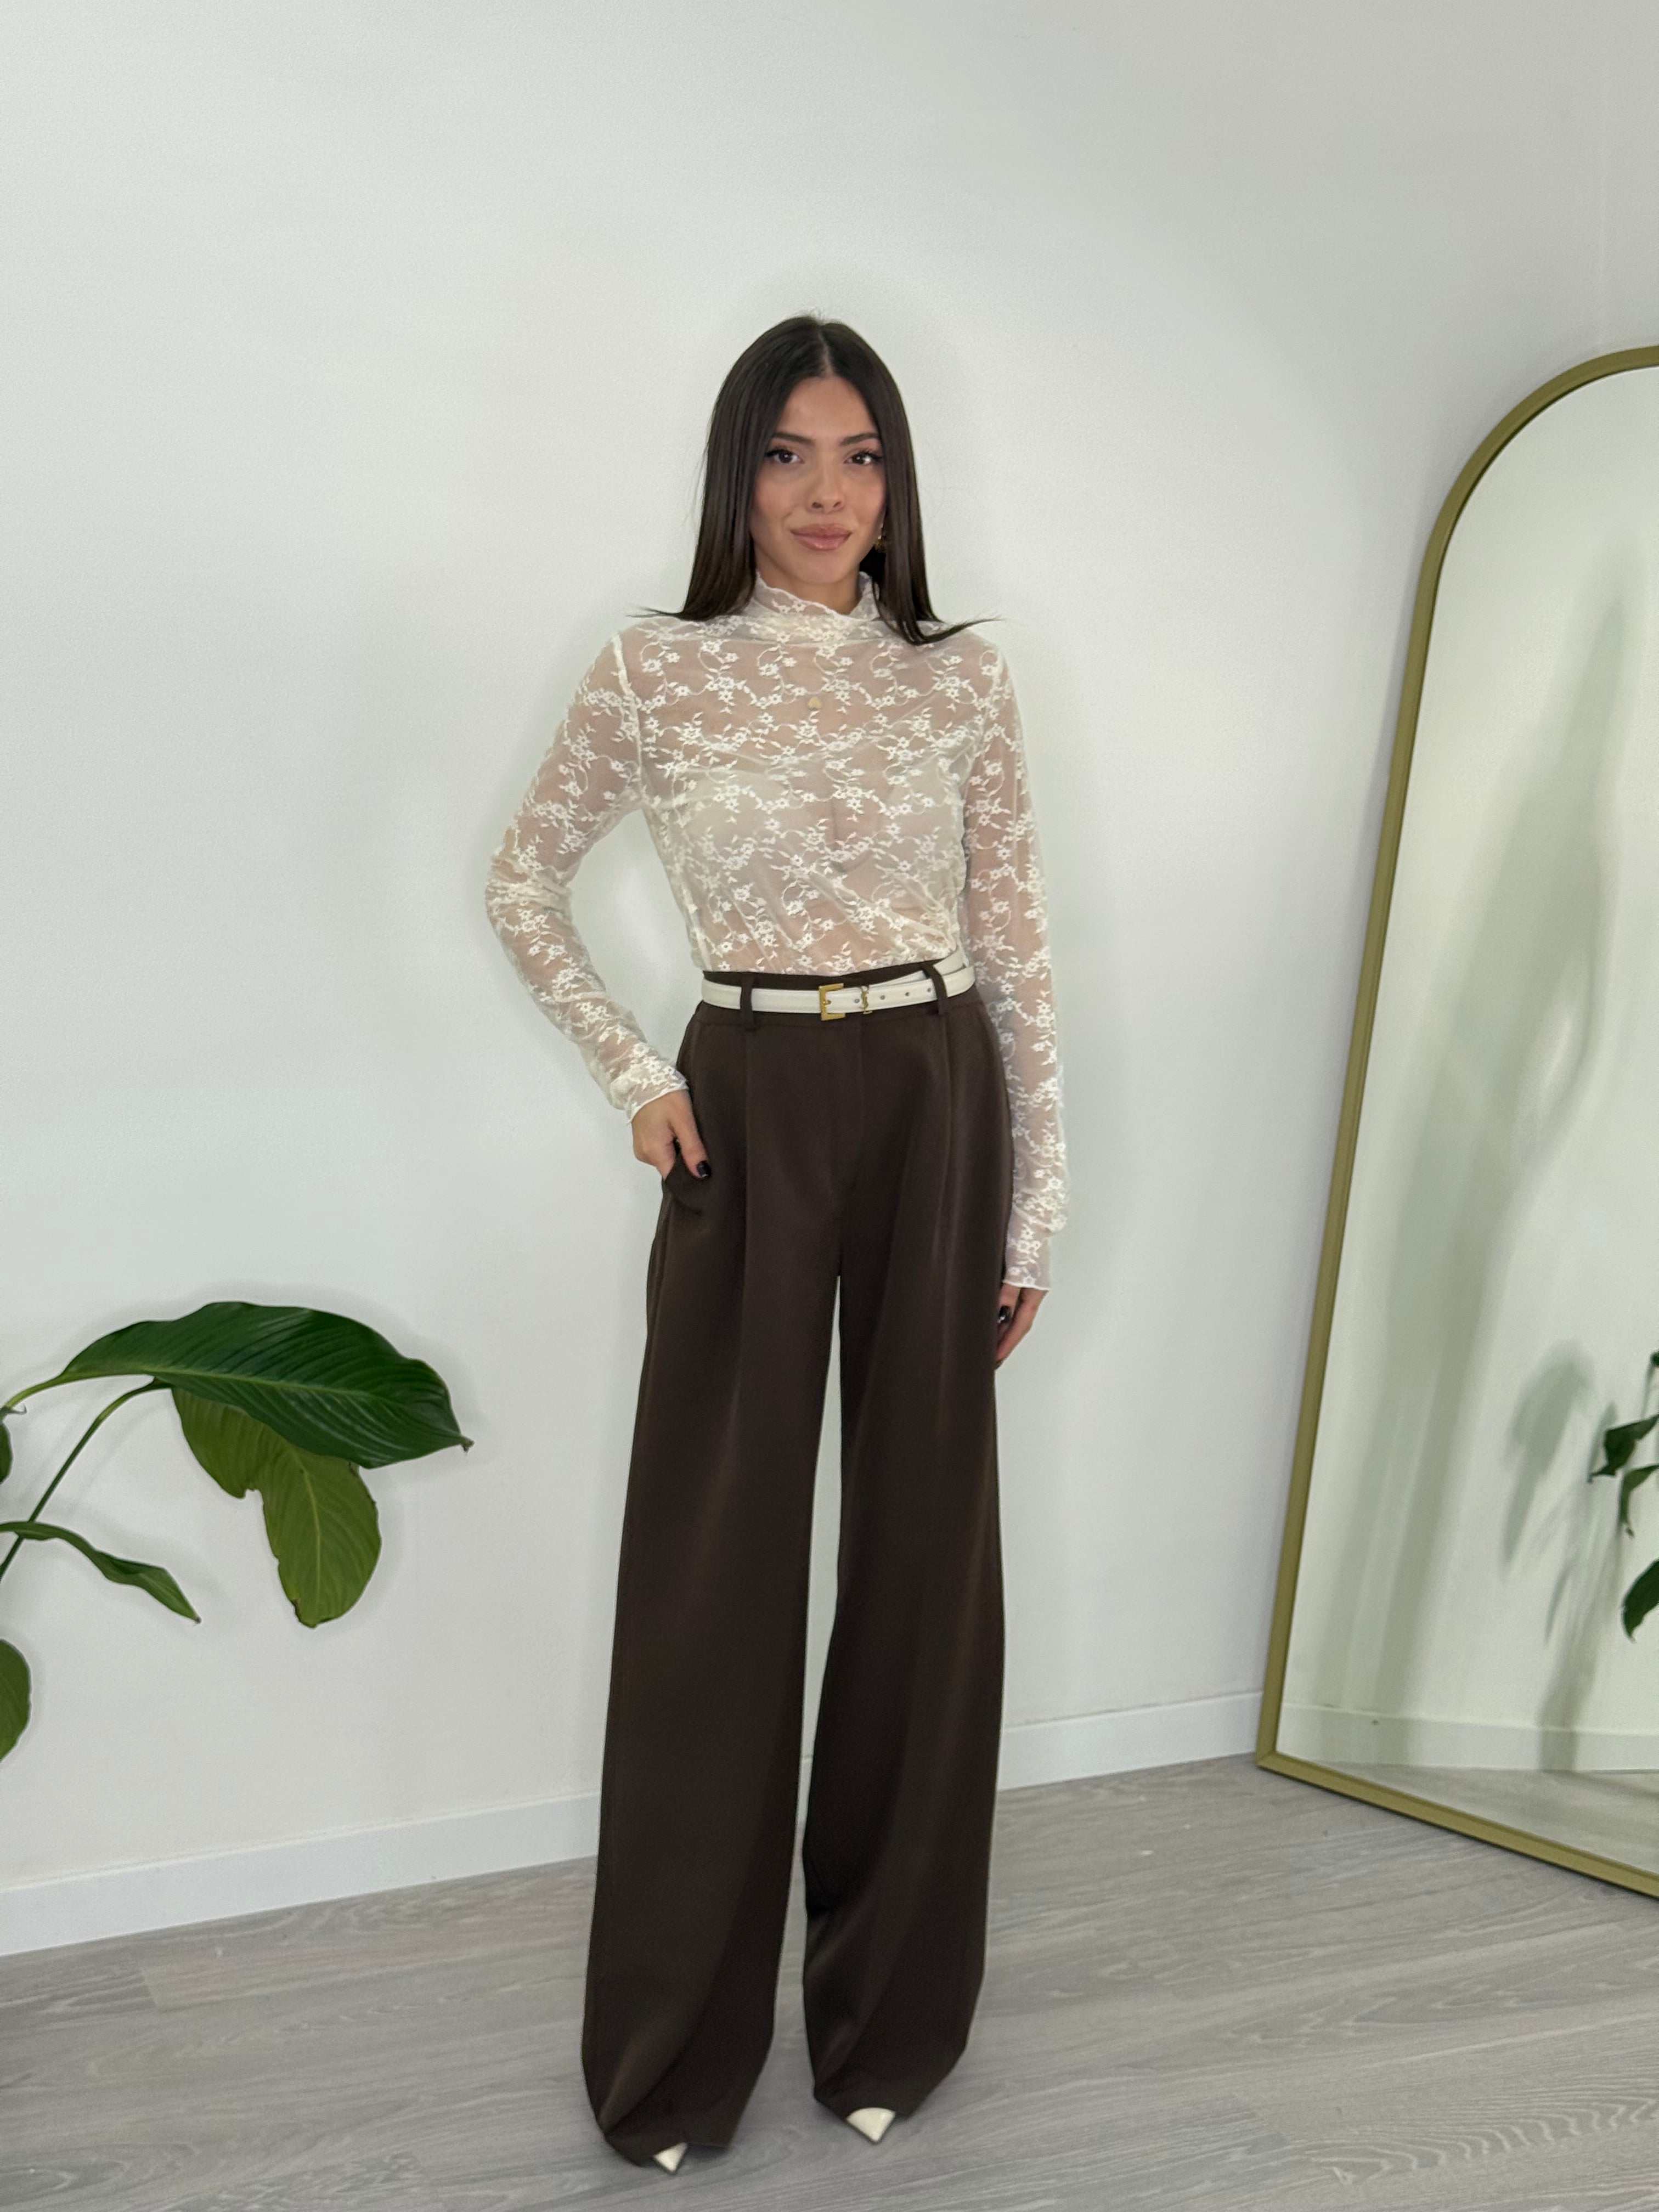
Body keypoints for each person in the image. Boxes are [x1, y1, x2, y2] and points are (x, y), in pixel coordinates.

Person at [484, 314, 1068, 2170]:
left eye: (862, 455)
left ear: (900, 478)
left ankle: (891, 2021)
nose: (829, 495)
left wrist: (1038, 1199)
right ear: (737, 474)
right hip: (742, 1090)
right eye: (789, 456)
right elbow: (521, 876)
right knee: (712, 1565)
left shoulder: (960, 678)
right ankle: (674, 2057)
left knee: (923, 1561)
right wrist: (633, 1070)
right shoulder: (656, 668)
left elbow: (1019, 941)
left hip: (934, 1087)